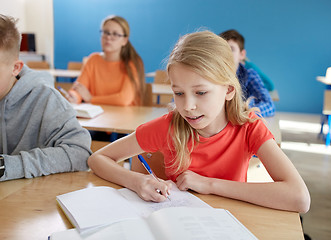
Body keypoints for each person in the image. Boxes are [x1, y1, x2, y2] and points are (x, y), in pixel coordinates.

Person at [88, 31, 310, 213]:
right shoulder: (169, 126)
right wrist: (136, 182)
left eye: (201, 92)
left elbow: (299, 198)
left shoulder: (249, 127)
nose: (187, 106)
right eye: (179, 93)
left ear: (229, 90)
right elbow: (98, 159)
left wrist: (208, 184)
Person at [0, 14, 91, 181]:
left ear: (15, 68)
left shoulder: (45, 98)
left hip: (28, 198)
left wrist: (6, 166)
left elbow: (80, 153)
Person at [67, 15, 145, 106]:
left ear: (124, 40)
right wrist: (74, 97)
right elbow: (79, 88)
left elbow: (124, 100)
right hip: (99, 115)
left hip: (126, 117)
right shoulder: (93, 59)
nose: (108, 37)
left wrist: (91, 99)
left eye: (115, 34)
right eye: (106, 32)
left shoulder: (133, 63)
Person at [220, 29, 275, 117]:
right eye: (222, 49)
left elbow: (269, 105)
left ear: (242, 54)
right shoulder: (211, 75)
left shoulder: (249, 75)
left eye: (231, 49)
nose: (226, 54)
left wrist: (246, 113)